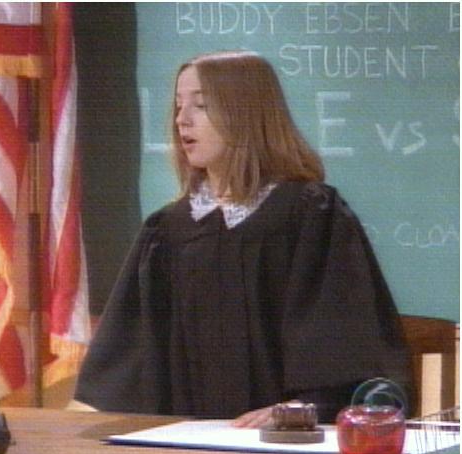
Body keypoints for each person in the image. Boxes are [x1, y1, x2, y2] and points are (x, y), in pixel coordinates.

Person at [74, 51, 410, 427]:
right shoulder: (167, 231)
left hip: (284, 443)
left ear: (246, 113)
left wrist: (300, 410)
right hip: (186, 442)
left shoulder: (308, 215)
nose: (182, 119)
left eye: (201, 105)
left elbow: (342, 351)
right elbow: (131, 368)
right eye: (179, 105)